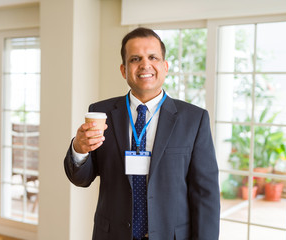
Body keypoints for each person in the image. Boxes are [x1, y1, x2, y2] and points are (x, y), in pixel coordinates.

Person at [64, 27, 220, 240]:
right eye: (135, 59)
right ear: (124, 70)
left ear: (165, 67)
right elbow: (82, 179)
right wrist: (79, 150)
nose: (145, 64)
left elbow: (205, 195)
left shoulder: (194, 119)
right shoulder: (101, 113)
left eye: (153, 57)